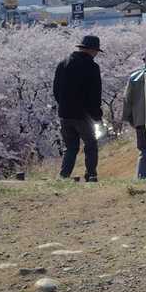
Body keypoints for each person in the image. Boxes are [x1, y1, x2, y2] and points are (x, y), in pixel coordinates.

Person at [52, 34, 104, 182]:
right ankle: (91, 174)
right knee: (91, 144)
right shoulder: (92, 67)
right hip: (83, 115)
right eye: (96, 51)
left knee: (71, 147)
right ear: (91, 50)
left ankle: (64, 175)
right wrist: (97, 116)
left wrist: (63, 105)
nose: (96, 54)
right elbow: (94, 94)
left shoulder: (63, 63)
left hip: (64, 114)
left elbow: (56, 90)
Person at [121, 46, 146, 179]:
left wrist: (130, 118)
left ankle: (142, 177)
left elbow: (127, 100)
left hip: (141, 120)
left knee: (145, 151)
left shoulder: (134, 77)